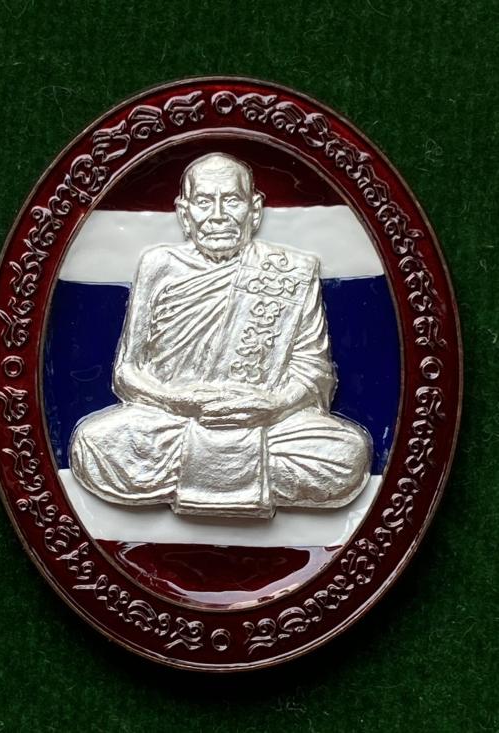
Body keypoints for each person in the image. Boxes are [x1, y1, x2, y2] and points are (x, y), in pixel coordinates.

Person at [69, 153, 371, 518]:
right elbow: (127, 373)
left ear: (254, 210)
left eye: (231, 200)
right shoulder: (159, 266)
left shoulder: (290, 273)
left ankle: (201, 474)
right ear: (184, 214)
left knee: (347, 454)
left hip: (265, 423)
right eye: (203, 202)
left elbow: (314, 371)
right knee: (93, 444)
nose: (217, 215)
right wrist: (177, 400)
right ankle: (242, 474)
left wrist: (274, 406)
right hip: (174, 420)